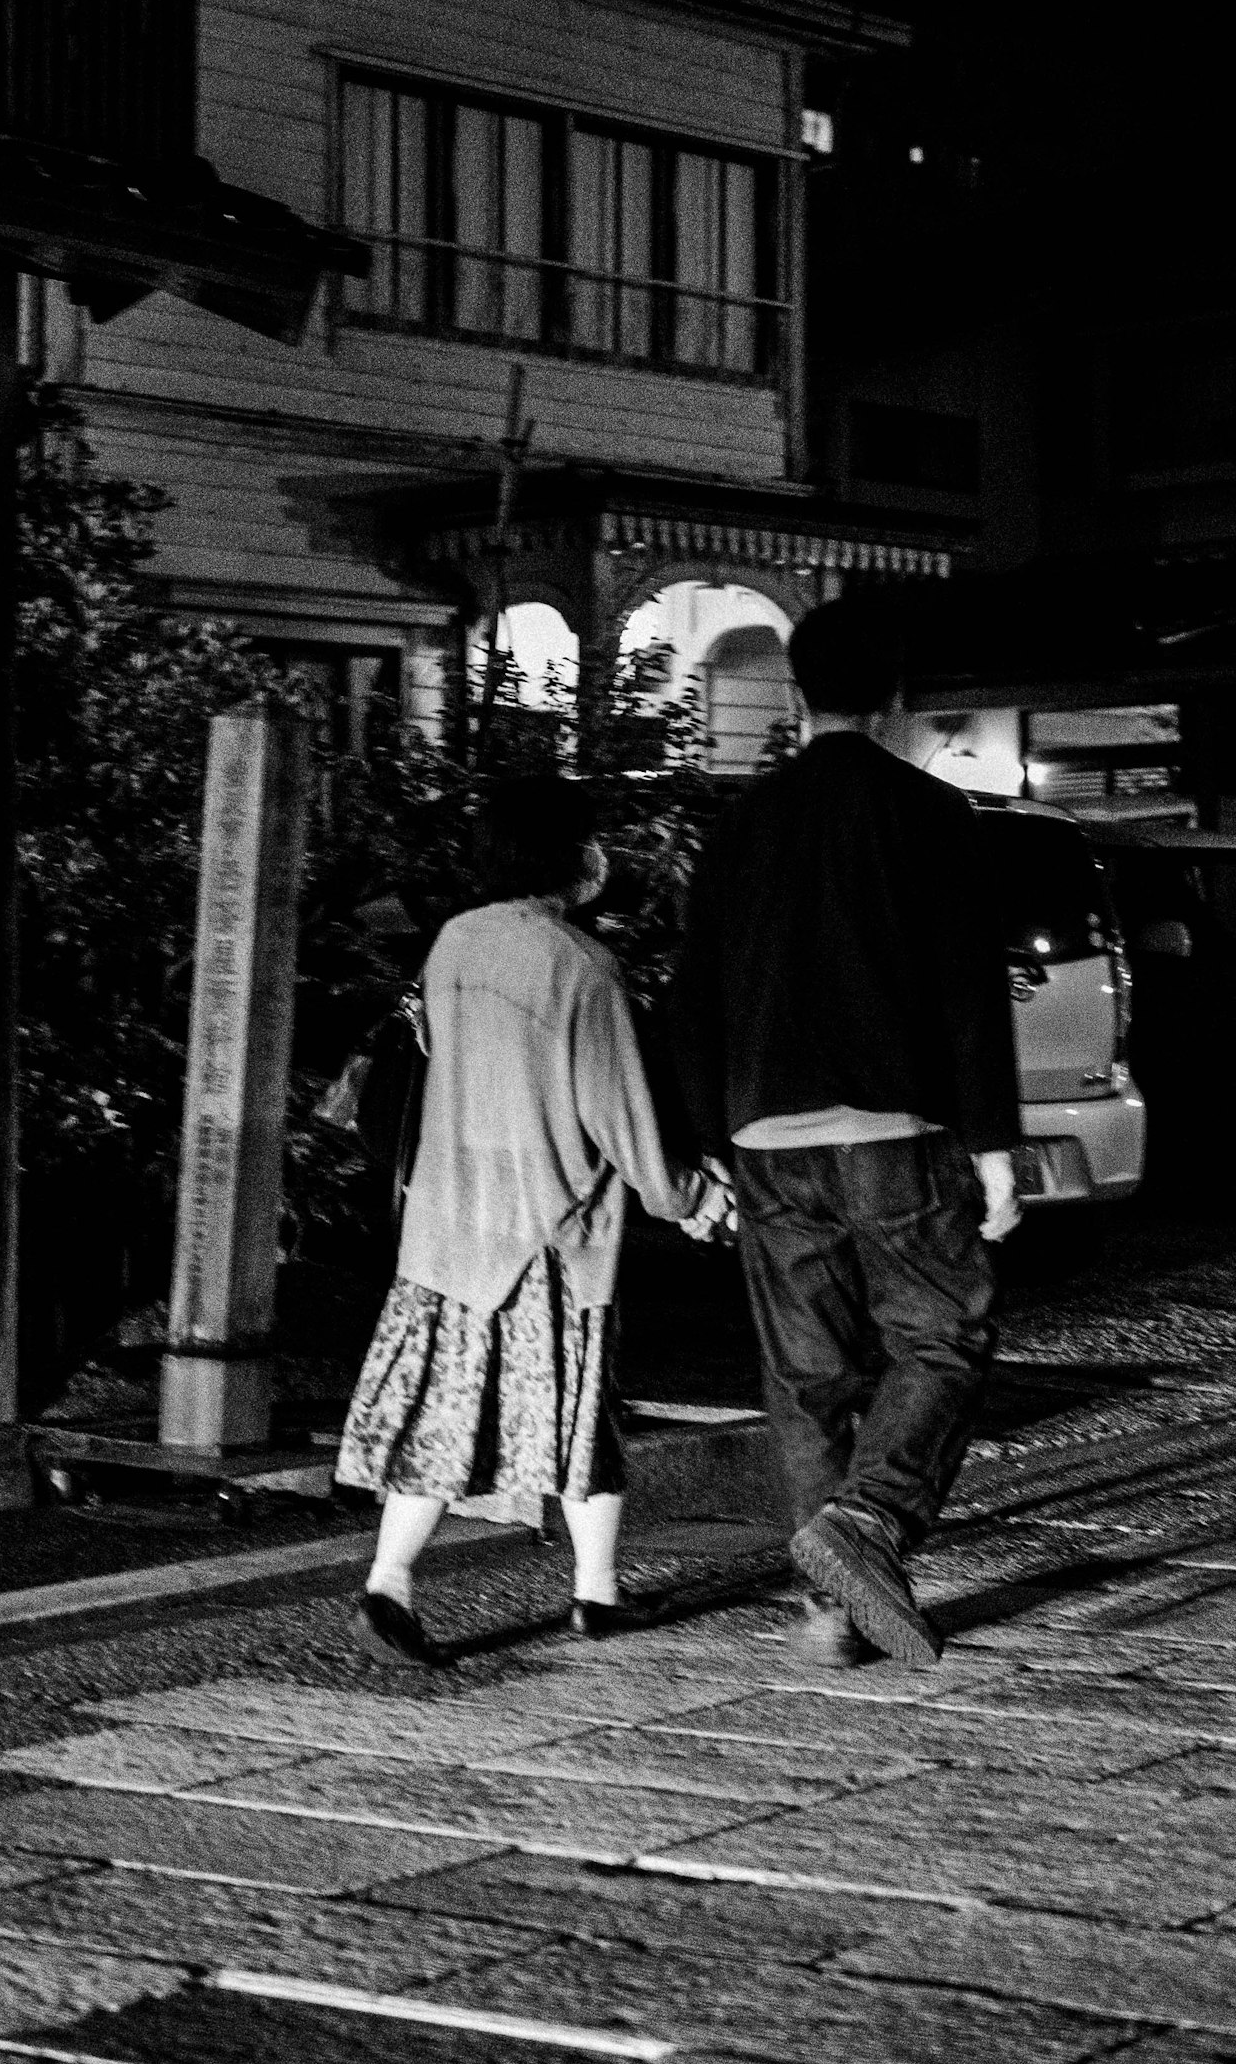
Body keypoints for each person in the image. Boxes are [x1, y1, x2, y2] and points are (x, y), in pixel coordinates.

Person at [672, 593, 1020, 1667]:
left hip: (767, 1136)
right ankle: (866, 1523)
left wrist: (702, 1143)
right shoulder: (931, 815)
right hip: (894, 1127)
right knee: (941, 1338)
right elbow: (967, 990)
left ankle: (829, 1610)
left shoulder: (744, 822)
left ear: (795, 688)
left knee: (808, 1378)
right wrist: (995, 1145)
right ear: (898, 697)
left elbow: (696, 992)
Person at [334, 775, 723, 1666]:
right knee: (582, 1412)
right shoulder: (581, 967)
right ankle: (594, 1593)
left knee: (443, 1407)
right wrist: (693, 1199)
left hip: (445, 1227)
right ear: (569, 855)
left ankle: (389, 1582)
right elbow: (621, 1118)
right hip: (548, 1232)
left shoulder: (454, 943)